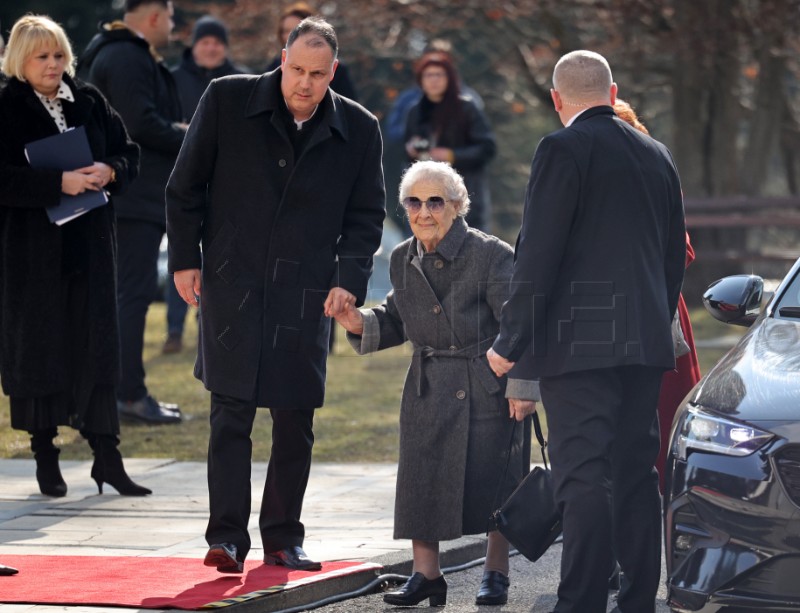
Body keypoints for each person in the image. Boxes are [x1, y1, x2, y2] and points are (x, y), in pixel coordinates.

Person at [166, 17, 385, 574]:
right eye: (296, 70)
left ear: (333, 72)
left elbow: (365, 216)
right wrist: (187, 261)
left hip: (307, 292)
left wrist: (348, 281)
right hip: (232, 282)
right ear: (280, 56)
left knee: (294, 418)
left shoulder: (359, 128)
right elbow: (184, 186)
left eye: (317, 74)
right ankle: (226, 538)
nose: (304, 84)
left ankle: (284, 537)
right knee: (230, 412)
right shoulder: (225, 99)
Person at [487, 50, 686, 613]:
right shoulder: (657, 154)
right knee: (634, 474)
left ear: (557, 100)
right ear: (613, 89)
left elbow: (538, 256)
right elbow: (674, 257)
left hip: (576, 346)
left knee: (581, 477)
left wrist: (509, 345)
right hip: (645, 342)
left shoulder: (559, 148)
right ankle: (639, 601)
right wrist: (653, 316)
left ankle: (579, 603)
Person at [329, 160, 534, 606]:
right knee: (422, 481)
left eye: (435, 201)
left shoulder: (491, 254)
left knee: (494, 482)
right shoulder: (403, 257)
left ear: (458, 205)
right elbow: (397, 317)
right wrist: (357, 321)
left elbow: (520, 324)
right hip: (426, 385)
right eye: (414, 201)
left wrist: (523, 385)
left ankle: (495, 573)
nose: (424, 211)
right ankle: (427, 576)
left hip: (486, 383)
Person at [0, 14, 150, 498]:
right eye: (41, 56)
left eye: (59, 55)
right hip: (33, 257)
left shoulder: (88, 100)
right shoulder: (6, 106)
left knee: (96, 349)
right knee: (41, 351)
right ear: (20, 60)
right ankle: (46, 456)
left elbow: (130, 152)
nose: (52, 64)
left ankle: (108, 456)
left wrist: (110, 170)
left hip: (90, 250)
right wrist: (55, 183)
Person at [78, 0, 186, 424]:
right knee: (131, 295)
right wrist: (189, 136)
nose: (174, 26)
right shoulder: (125, 55)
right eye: (172, 17)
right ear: (155, 16)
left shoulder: (116, 51)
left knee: (125, 294)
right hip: (131, 195)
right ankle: (127, 394)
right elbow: (137, 124)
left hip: (127, 194)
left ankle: (116, 392)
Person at [613, 99, 701, 494]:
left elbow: (682, 248)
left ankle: (664, 493)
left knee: (665, 409)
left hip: (657, 302)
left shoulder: (655, 171)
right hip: (616, 306)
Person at [161, 14, 246, 355]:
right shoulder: (172, 79)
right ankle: (174, 328)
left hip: (228, 186)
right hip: (184, 180)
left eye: (217, 43)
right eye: (205, 42)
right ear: (194, 45)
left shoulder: (241, 81)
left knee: (220, 261)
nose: (211, 48)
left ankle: (208, 328)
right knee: (180, 256)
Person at [404, 53, 496, 232]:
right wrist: (411, 149)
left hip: (465, 193)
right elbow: (404, 154)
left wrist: (452, 155)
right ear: (420, 80)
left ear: (450, 78)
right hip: (427, 196)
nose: (434, 80)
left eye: (439, 74)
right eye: (428, 75)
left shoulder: (467, 108)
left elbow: (487, 148)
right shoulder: (415, 112)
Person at [265, 2, 358, 101]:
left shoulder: (337, 69)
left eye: (295, 30)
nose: (289, 35)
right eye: (285, 31)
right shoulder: (274, 66)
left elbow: (347, 107)